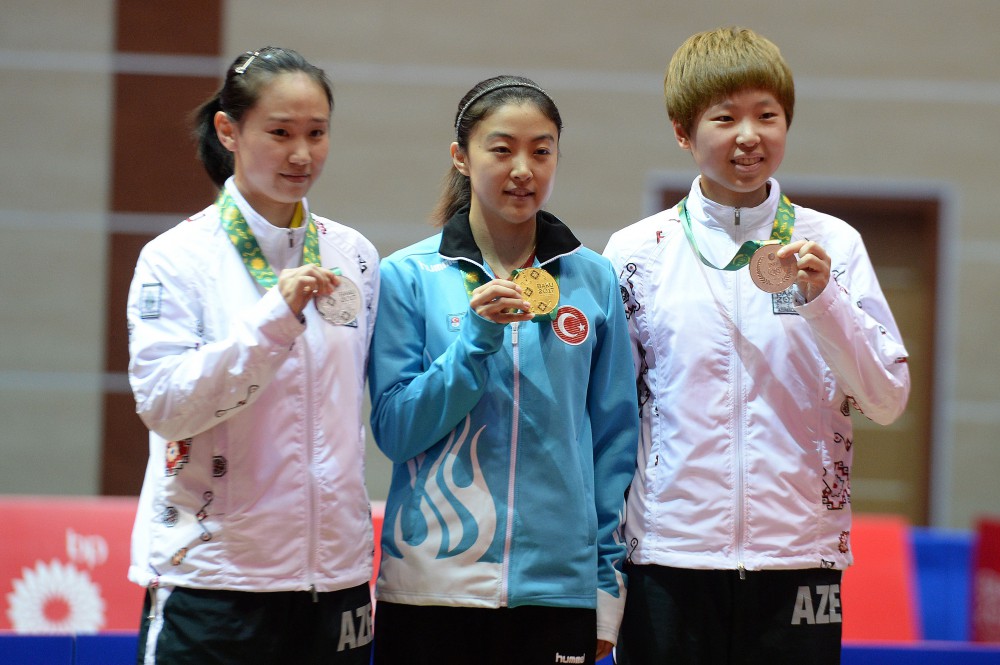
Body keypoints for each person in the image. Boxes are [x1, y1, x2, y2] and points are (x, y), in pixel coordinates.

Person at [602, 27, 911, 665]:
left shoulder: (835, 245)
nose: (750, 135)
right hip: (669, 556)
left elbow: (886, 399)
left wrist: (824, 299)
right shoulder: (636, 253)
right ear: (683, 132)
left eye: (767, 115)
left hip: (800, 557)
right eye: (725, 117)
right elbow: (608, 420)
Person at [367, 74, 639, 665]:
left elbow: (614, 442)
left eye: (541, 151)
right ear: (461, 158)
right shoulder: (406, 276)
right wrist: (474, 343)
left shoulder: (593, 280)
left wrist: (605, 587)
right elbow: (395, 430)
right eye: (502, 149)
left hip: (558, 592)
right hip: (430, 588)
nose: (523, 168)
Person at [125, 47, 379, 664]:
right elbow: (164, 405)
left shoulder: (355, 257)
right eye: (281, 132)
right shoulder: (175, 259)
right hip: (213, 581)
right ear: (228, 131)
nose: (301, 154)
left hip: (335, 581)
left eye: (316, 133)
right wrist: (273, 319)